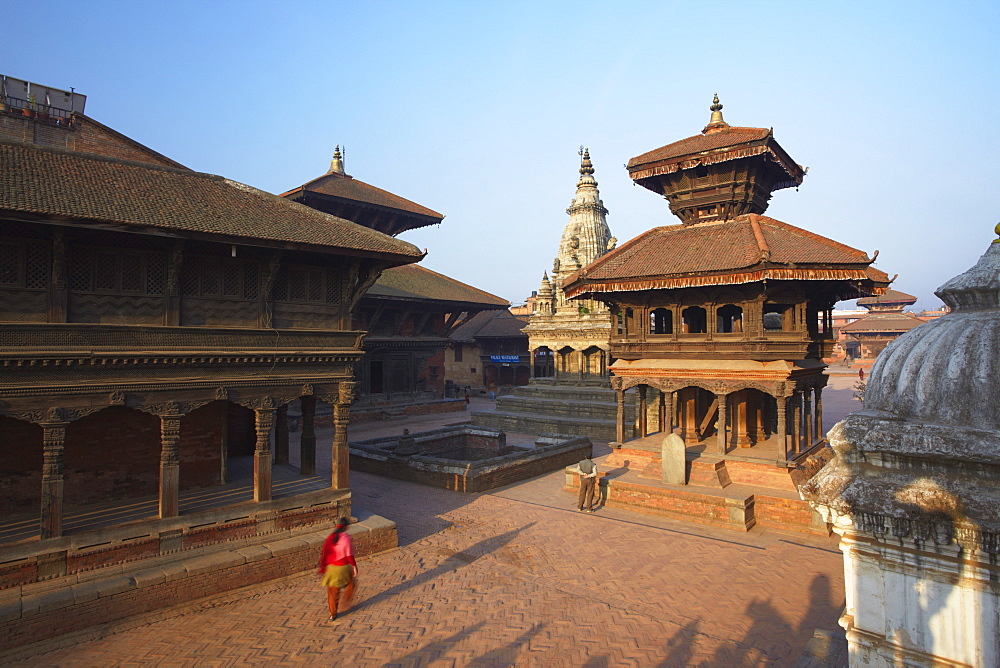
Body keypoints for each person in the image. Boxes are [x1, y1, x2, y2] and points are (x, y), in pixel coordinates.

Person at [318, 517, 358, 621]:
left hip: (331, 569)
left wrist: (324, 568)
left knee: (332, 593)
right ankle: (346, 600)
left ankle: (332, 614)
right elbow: (349, 556)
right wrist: (354, 567)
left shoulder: (330, 537)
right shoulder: (346, 538)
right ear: (347, 527)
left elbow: (325, 554)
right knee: (351, 583)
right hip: (343, 568)